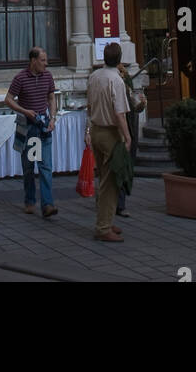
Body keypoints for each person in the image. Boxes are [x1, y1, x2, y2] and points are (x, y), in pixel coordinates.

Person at [4, 46, 57, 218]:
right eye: (42, 60)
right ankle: (29, 200)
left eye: (46, 60)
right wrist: (24, 111)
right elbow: (9, 99)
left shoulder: (47, 76)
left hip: (43, 125)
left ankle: (47, 204)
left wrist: (53, 118)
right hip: (29, 127)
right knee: (29, 166)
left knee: (45, 166)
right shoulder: (21, 78)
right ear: (33, 61)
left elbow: (51, 97)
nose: (46, 64)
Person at [86, 42, 131, 243]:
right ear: (119, 59)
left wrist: (87, 130)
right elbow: (119, 113)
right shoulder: (117, 80)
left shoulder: (94, 76)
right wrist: (127, 137)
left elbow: (89, 105)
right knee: (111, 182)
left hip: (96, 130)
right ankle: (103, 227)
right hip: (110, 133)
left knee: (104, 178)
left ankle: (106, 219)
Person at [115, 63, 146, 218]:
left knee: (124, 168)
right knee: (119, 168)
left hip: (129, 130)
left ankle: (117, 202)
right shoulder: (112, 82)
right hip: (118, 133)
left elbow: (134, 105)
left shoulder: (126, 84)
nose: (122, 74)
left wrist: (142, 103)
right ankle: (118, 205)